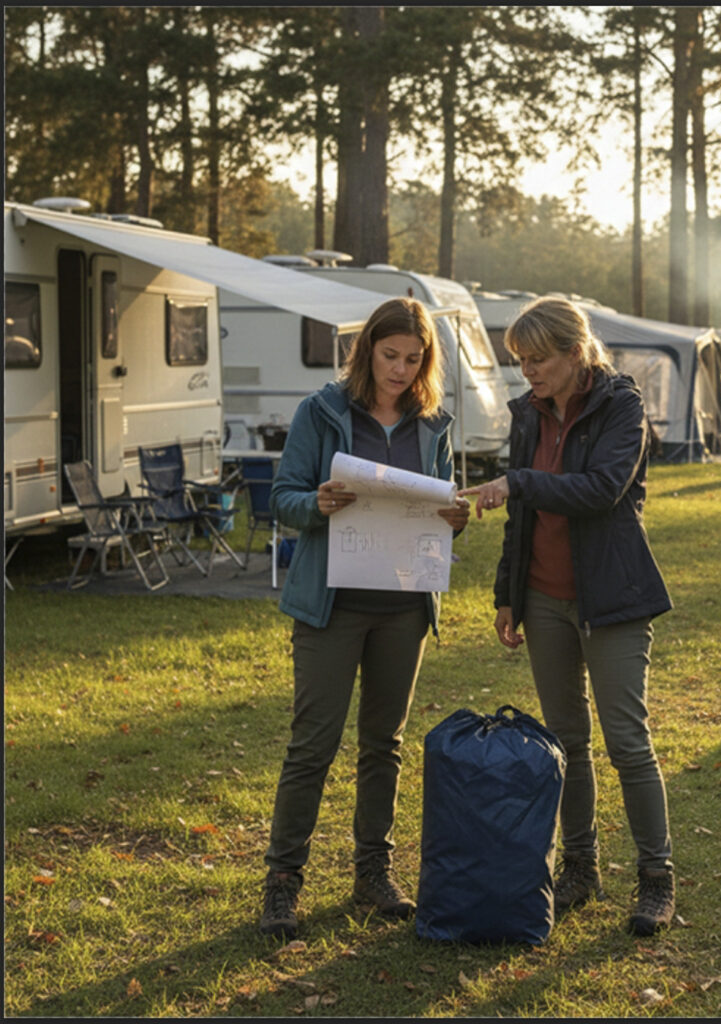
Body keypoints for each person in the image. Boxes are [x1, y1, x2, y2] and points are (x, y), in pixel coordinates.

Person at [459, 296, 676, 937]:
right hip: (544, 599)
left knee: (627, 743)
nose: (526, 371)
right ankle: (580, 866)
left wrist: (518, 483)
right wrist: (508, 593)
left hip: (612, 599)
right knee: (565, 742)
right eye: (519, 361)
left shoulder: (622, 406)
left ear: (574, 351)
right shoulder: (527, 414)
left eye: (537, 359)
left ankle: (656, 878)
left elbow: (600, 490)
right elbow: (520, 514)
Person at [259, 297, 470, 939]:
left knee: (385, 745)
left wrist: (455, 518)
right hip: (331, 608)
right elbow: (281, 499)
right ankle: (282, 884)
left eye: (413, 358)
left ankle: (372, 875)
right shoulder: (321, 411)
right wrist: (316, 501)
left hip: (404, 608)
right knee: (312, 747)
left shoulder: (434, 423)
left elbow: (443, 503)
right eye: (389, 355)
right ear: (367, 349)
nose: (400, 370)